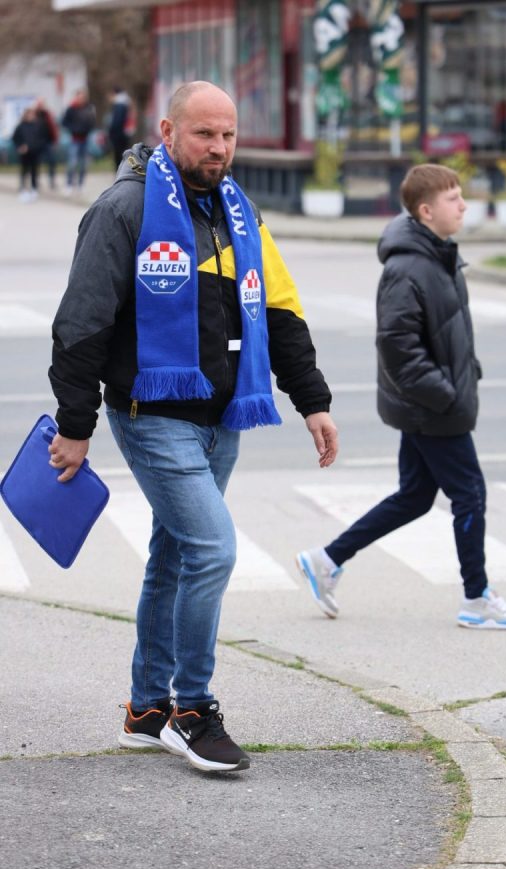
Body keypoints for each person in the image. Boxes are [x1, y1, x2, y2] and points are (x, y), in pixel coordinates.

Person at [48, 81, 339, 774]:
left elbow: (280, 310)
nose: (219, 148)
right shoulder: (123, 210)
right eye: (205, 134)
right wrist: (76, 424)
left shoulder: (238, 210)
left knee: (176, 556)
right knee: (212, 550)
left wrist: (312, 399)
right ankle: (193, 710)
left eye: (228, 135)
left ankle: (148, 709)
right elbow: (80, 325)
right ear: (168, 131)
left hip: (222, 417)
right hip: (151, 416)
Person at [297, 163, 506, 631]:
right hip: (432, 408)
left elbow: (445, 333)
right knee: (470, 494)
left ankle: (327, 559)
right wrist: (445, 394)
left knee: (415, 496)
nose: (463, 206)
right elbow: (398, 347)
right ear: (426, 211)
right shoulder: (407, 269)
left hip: (436, 402)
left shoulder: (439, 256)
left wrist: (466, 373)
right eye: (453, 198)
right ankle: (477, 597)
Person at [61, 87, 96, 193]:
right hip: (75, 139)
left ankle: (81, 184)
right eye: (79, 97)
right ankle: (69, 184)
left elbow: (92, 121)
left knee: (83, 164)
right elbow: (64, 122)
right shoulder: (71, 109)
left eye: (83, 97)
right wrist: (74, 129)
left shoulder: (88, 108)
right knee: (72, 163)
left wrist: (88, 128)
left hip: (85, 139)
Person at [12, 107, 43, 201]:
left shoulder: (37, 126)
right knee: (24, 171)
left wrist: (37, 147)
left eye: (32, 114)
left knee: (34, 171)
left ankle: (34, 188)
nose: (30, 116)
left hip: (35, 152)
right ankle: (23, 188)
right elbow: (15, 138)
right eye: (29, 114)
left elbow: (42, 139)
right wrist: (20, 146)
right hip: (24, 153)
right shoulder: (21, 126)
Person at [34, 98, 59, 189]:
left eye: (42, 104)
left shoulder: (47, 115)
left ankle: (52, 180)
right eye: (39, 104)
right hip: (36, 142)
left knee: (52, 161)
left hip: (48, 142)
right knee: (36, 162)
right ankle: (35, 181)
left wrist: (55, 140)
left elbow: (53, 127)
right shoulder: (34, 114)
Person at [107, 86, 133, 169]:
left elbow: (117, 121)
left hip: (118, 135)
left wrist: (111, 132)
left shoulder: (119, 105)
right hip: (124, 133)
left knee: (119, 155)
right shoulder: (125, 103)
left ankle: (120, 170)